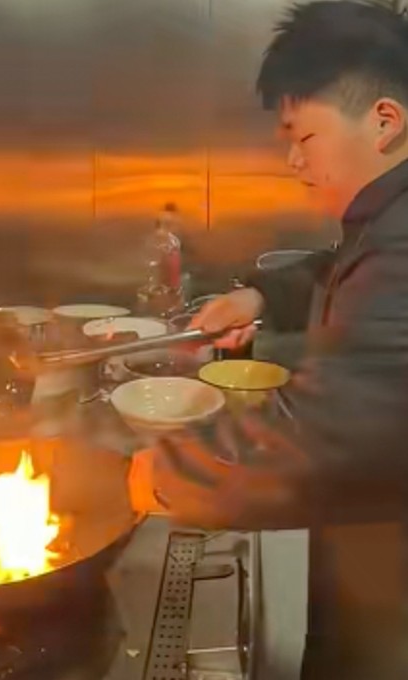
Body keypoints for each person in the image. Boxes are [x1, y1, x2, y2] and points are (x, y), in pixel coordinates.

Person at [145, 2, 408, 678]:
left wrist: (162, 475)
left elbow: (330, 440)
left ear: (384, 122)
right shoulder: (386, 218)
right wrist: (263, 294)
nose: (292, 159)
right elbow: (342, 266)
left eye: (304, 136)